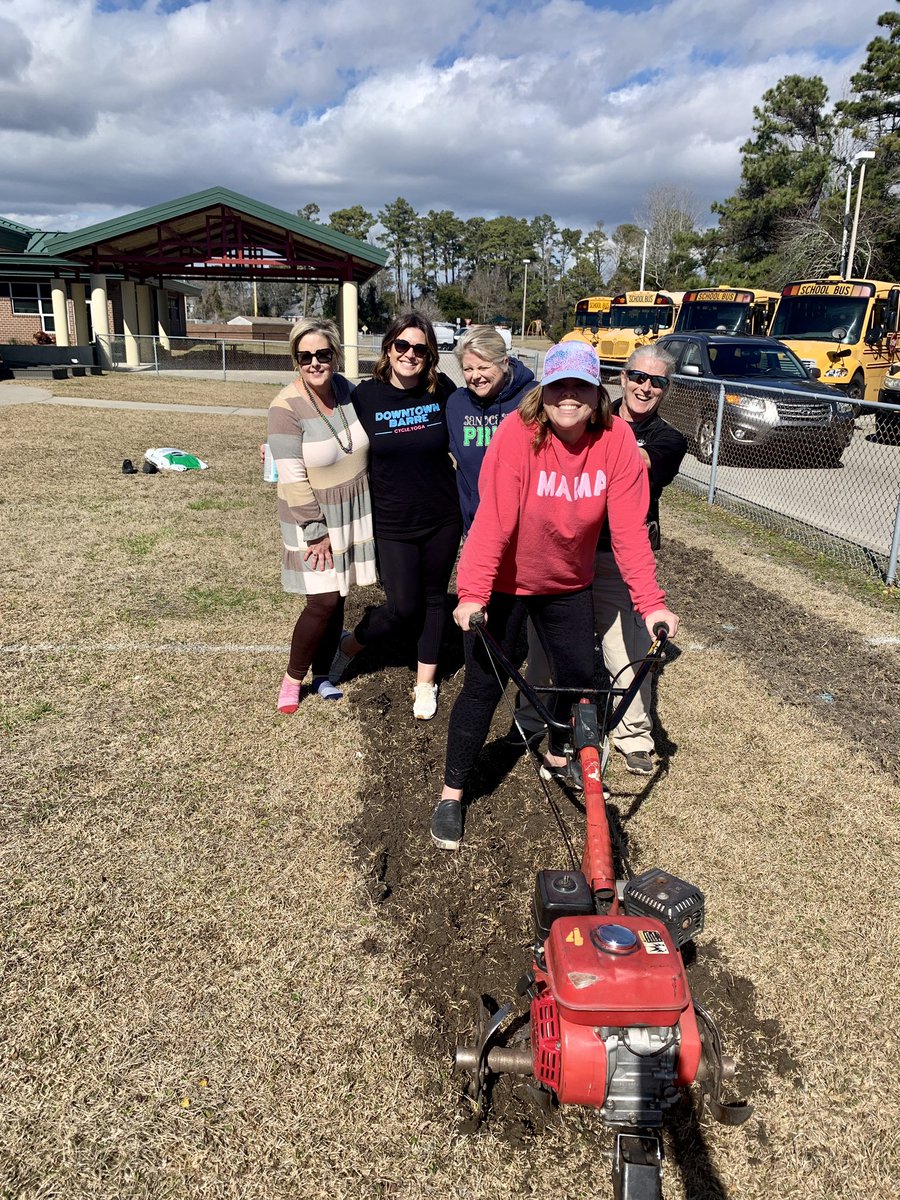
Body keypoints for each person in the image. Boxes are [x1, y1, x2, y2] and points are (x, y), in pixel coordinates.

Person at [430, 342, 679, 851]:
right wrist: (473, 591)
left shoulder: (616, 444)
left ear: (597, 393)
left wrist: (651, 603)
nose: (569, 397)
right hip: (505, 584)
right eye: (559, 386)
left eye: (580, 387)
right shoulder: (518, 436)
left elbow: (629, 534)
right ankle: (452, 794)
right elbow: (492, 521)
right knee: (483, 686)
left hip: (568, 583)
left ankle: (562, 752)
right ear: (544, 391)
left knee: (579, 683)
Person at [329, 313, 462, 720]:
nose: (410, 354)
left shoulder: (443, 392)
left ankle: (425, 683)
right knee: (403, 607)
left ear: (430, 356)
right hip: (390, 519)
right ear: (388, 348)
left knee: (435, 599)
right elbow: (325, 430)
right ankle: (351, 644)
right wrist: (280, 451)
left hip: (442, 514)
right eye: (402, 345)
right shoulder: (365, 397)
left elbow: (481, 418)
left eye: (420, 349)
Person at [267, 317, 376, 714]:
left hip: (351, 510)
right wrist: (315, 531)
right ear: (295, 359)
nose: (314, 363)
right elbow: (293, 478)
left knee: (339, 594)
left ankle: (324, 675)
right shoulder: (285, 406)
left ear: (335, 355)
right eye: (304, 356)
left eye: (322, 354)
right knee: (323, 601)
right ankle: (292, 680)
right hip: (312, 516)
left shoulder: (348, 390)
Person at [593, 345, 687, 774]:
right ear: (622, 377)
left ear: (667, 389)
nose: (644, 387)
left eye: (657, 381)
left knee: (627, 648)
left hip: (622, 553)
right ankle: (548, 723)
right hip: (573, 549)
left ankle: (633, 736)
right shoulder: (595, 412)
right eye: (637, 376)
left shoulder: (669, 440)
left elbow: (635, 462)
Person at [446, 325, 535, 533]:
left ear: (504, 363)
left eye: (483, 367)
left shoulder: (532, 398)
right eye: (468, 369)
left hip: (525, 529)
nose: (475, 376)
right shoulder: (456, 405)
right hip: (477, 527)